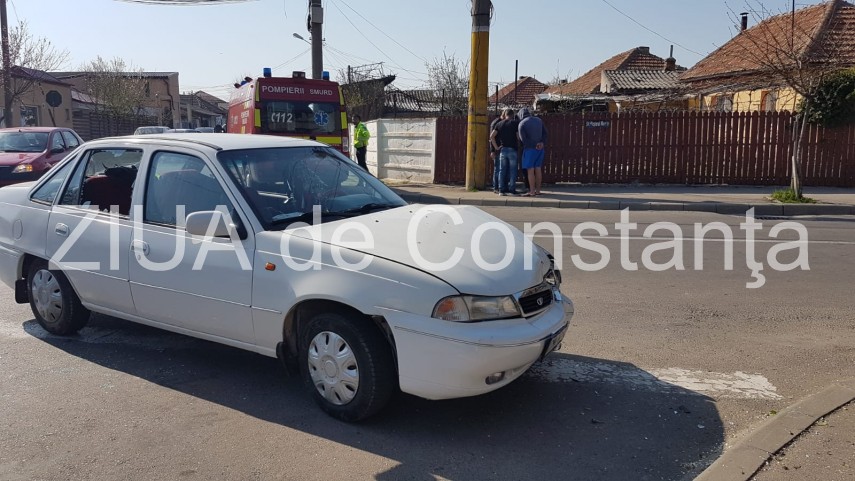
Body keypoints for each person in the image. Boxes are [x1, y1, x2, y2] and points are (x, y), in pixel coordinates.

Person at [518, 108, 548, 196]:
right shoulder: (539, 120)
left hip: (529, 149)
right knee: (538, 169)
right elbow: (545, 133)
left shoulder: (522, 123)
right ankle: (538, 190)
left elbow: (523, 139)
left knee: (530, 170)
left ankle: (531, 191)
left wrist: (533, 144)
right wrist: (541, 143)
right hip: (540, 149)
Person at [490, 108, 520, 196]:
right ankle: (512, 189)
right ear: (512, 115)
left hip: (503, 150)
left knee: (501, 170)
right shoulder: (515, 123)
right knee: (513, 170)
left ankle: (501, 190)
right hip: (512, 149)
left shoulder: (499, 124)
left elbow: (491, 136)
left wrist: (496, 147)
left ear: (505, 114)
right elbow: (518, 137)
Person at [489, 112, 505, 193]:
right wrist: (493, 150)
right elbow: (491, 138)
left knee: (498, 168)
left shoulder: (496, 122)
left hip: (497, 148)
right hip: (497, 148)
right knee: (498, 168)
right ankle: (496, 187)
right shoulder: (497, 123)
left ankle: (496, 187)